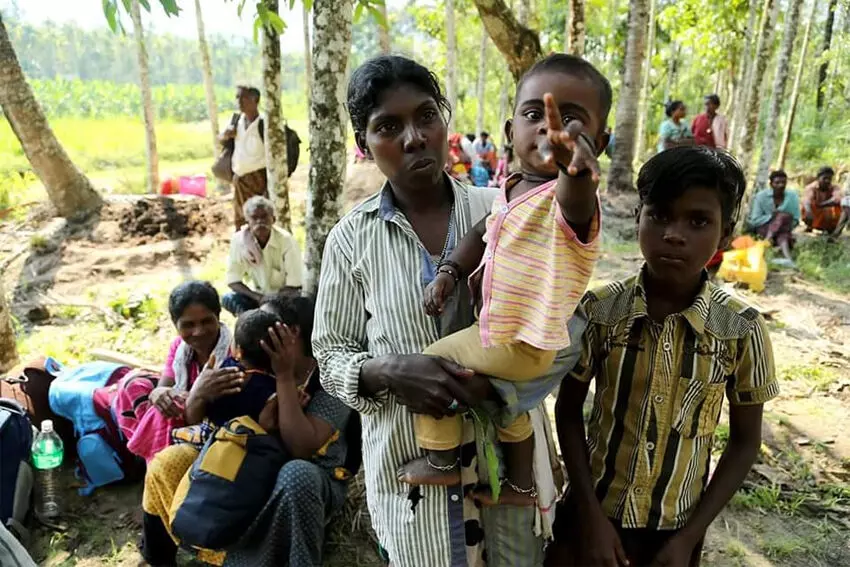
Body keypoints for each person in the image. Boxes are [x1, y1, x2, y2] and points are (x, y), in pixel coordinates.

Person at [315, 54, 586, 566]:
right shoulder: (351, 239)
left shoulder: (507, 211)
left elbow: (569, 322)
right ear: (363, 147)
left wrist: (499, 386)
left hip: (509, 475)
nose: (414, 137)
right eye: (388, 127)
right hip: (410, 482)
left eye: (425, 116)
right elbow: (330, 354)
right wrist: (387, 370)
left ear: (445, 121)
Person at [546, 147, 778, 567]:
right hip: (591, 516)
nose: (674, 234)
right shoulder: (599, 312)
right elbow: (567, 411)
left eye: (698, 221)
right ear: (638, 217)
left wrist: (691, 536)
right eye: (660, 215)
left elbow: (745, 442)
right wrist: (590, 517)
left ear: (726, 235)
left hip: (675, 533)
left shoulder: (741, 329)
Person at [398, 53, 608, 506]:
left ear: (599, 142)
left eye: (573, 122)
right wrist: (450, 272)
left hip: (517, 339)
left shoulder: (566, 202)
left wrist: (576, 169)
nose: (550, 131)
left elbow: (576, 200)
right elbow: (480, 233)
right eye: (533, 115)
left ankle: (441, 460)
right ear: (511, 132)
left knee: (431, 363)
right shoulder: (510, 189)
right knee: (507, 408)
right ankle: (520, 484)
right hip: (508, 336)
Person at [140, 297, 356, 567]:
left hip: (301, 477)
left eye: (267, 325)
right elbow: (197, 422)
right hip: (244, 459)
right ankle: (181, 555)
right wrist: (198, 395)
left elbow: (301, 448)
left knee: (296, 475)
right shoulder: (247, 358)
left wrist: (284, 378)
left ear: (291, 334)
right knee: (169, 460)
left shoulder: (328, 380)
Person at [113, 281, 233, 463]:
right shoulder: (180, 348)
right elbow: (164, 387)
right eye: (188, 325)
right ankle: (154, 452)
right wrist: (157, 394)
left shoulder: (234, 353)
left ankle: (158, 460)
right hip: (187, 411)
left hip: (215, 422)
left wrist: (195, 396)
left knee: (164, 412)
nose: (199, 332)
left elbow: (209, 414)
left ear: (218, 317)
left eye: (206, 321)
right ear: (175, 325)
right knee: (135, 385)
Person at [222, 196, 303, 316]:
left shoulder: (286, 241)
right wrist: (259, 298)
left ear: (273, 219)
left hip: (283, 298)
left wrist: (271, 300)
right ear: (247, 221)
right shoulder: (239, 241)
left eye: (264, 216)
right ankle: (249, 323)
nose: (260, 222)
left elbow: (295, 285)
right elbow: (233, 280)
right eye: (254, 218)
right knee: (228, 298)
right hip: (256, 297)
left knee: (302, 306)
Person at [220, 85, 267, 229]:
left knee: (259, 221)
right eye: (237, 97)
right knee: (241, 221)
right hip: (240, 179)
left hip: (258, 179)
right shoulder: (236, 121)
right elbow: (222, 140)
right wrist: (226, 135)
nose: (239, 101)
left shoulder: (263, 123)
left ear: (255, 100)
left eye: (243, 97)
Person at [748, 170, 800, 266]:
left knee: (784, 218)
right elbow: (754, 221)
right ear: (771, 184)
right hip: (763, 230)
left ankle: (786, 258)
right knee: (780, 217)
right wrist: (771, 217)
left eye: (783, 182)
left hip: (784, 229)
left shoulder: (792, 196)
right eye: (777, 183)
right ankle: (780, 253)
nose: (781, 185)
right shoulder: (761, 197)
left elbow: (796, 219)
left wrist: (783, 225)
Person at [802, 166, 844, 237]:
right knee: (807, 206)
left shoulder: (835, 187)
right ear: (818, 178)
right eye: (825, 178)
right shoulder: (811, 187)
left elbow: (837, 199)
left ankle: (830, 227)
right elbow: (806, 200)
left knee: (839, 205)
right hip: (815, 213)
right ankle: (810, 226)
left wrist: (822, 205)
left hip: (827, 214)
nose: (827, 181)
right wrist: (808, 212)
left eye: (829, 179)